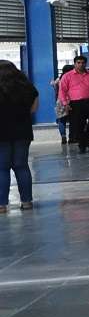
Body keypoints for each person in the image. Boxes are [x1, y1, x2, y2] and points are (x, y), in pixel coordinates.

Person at [0, 61, 37, 213]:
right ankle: (27, 201)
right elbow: (33, 109)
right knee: (21, 166)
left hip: (1, 132)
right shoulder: (28, 88)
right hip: (23, 131)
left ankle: (1, 205)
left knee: (1, 168)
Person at [58, 55, 89, 153]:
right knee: (78, 125)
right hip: (75, 103)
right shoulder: (68, 76)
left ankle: (86, 137)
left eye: (83, 63)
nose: (81, 65)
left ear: (86, 64)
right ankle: (82, 144)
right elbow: (62, 91)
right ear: (74, 64)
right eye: (78, 63)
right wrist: (65, 103)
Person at [50, 64, 71, 145]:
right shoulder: (72, 78)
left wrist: (52, 84)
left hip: (60, 101)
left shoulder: (59, 79)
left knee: (61, 120)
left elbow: (55, 89)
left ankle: (63, 136)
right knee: (73, 119)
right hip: (71, 100)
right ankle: (72, 136)